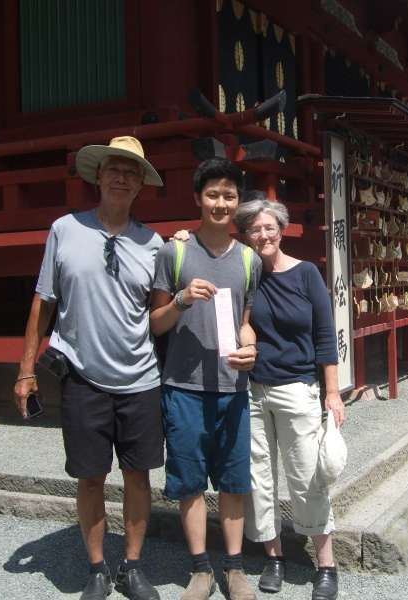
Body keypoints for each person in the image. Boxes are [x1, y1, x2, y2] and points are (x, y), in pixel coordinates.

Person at [13, 136, 164, 600]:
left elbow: (160, 316)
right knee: (90, 475)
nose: (122, 177)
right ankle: (97, 567)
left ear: (141, 185)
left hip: (141, 378)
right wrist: (26, 369)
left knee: (138, 476)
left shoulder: (153, 243)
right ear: (98, 176)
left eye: (132, 171)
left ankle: (132, 566)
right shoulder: (64, 230)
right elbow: (44, 302)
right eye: (114, 168)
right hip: (82, 377)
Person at [172, 195, 345, 599]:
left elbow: (324, 335)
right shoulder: (245, 272)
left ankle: (326, 563)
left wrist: (332, 393)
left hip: (297, 388)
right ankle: (274, 556)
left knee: (307, 476)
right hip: (249, 390)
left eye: (270, 227)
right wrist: (181, 238)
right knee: (258, 478)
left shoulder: (306, 274)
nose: (263, 234)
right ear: (245, 234)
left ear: (281, 231)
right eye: (254, 229)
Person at [150, 158, 261, 600]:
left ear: (238, 203)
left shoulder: (249, 259)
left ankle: (234, 569)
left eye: (229, 196)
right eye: (212, 194)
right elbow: (156, 323)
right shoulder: (173, 252)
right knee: (189, 482)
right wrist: (180, 299)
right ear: (198, 198)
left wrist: (250, 347)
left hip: (232, 389)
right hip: (184, 387)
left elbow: (246, 321)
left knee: (234, 482)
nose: (220, 202)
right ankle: (201, 569)